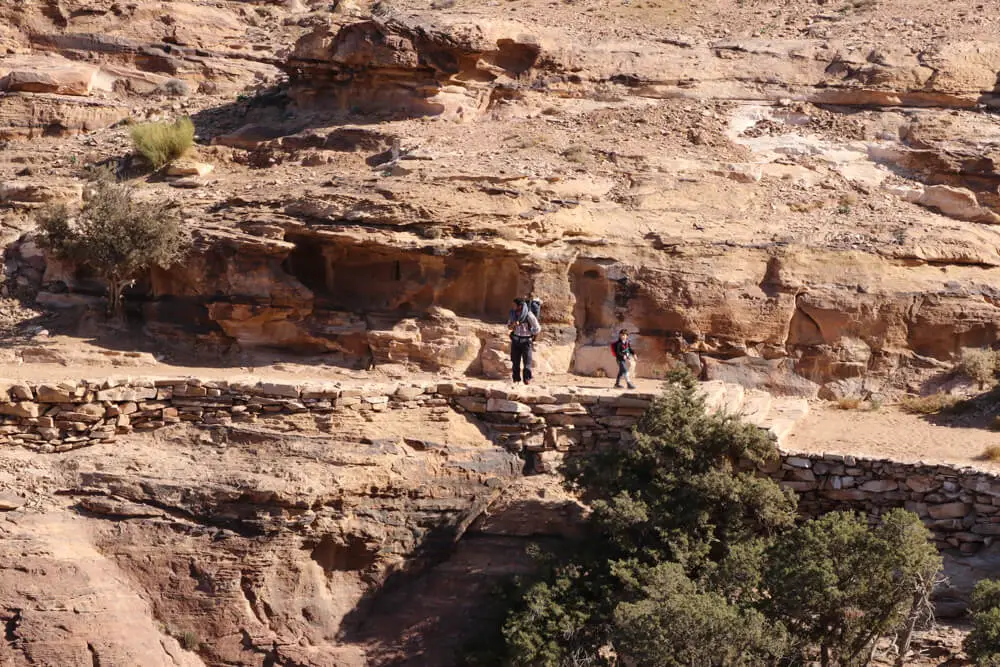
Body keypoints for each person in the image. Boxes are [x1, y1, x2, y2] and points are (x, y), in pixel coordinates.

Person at [507, 297, 541, 384]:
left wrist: (532, 334)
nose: (513, 306)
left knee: (527, 362)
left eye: (514, 305)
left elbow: (537, 328)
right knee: (515, 361)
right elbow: (509, 326)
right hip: (515, 340)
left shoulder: (529, 315)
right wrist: (513, 325)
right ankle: (516, 379)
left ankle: (527, 379)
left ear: (520, 306)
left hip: (526, 341)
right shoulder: (512, 314)